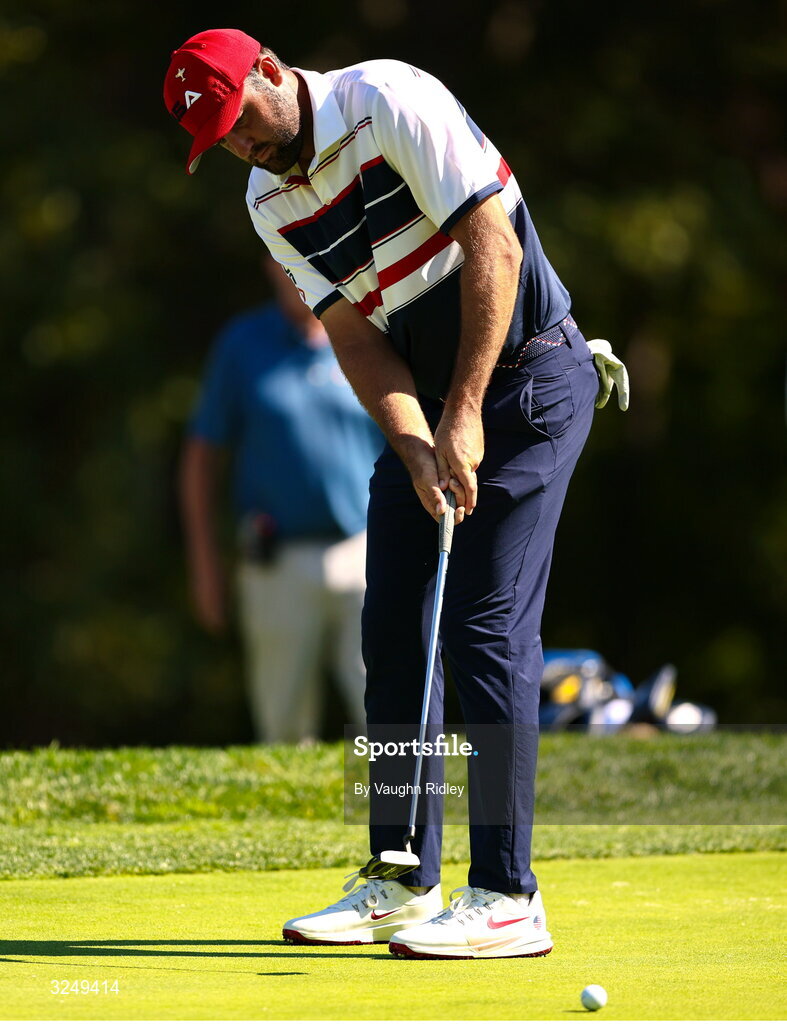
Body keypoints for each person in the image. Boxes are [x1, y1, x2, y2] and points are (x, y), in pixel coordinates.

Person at [164, 29, 629, 959]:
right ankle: (399, 873)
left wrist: (463, 412)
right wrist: (416, 445)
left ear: (266, 70)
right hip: (427, 402)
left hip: (526, 381)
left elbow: (489, 242)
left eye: (241, 121)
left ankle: (505, 894)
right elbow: (352, 335)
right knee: (394, 630)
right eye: (219, 140)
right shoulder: (267, 198)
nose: (242, 148)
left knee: (482, 627)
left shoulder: (387, 98)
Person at [179, 254, 383, 742]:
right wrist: (205, 561)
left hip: (369, 550)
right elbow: (201, 458)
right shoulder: (242, 343)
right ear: (271, 266)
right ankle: (297, 821)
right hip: (276, 559)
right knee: (284, 727)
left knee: (389, 712)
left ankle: (406, 819)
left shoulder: (369, 331)